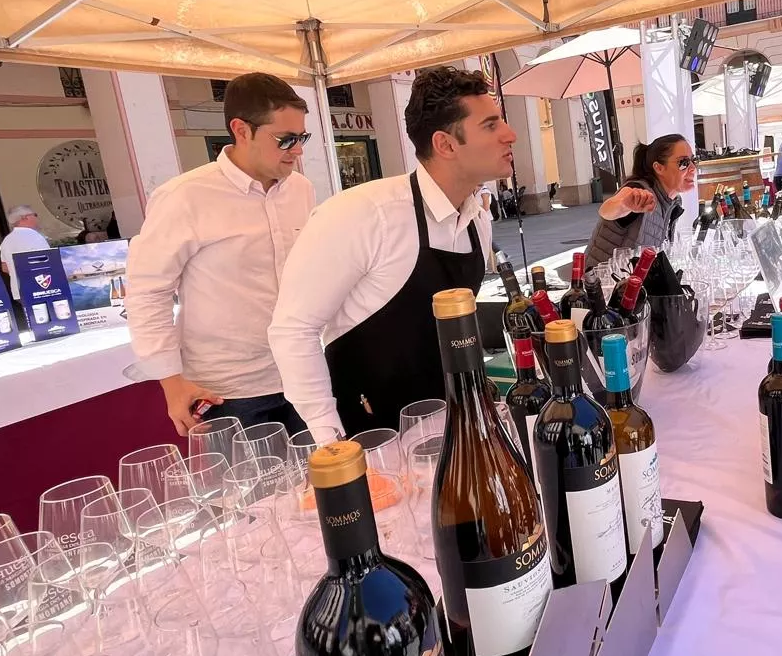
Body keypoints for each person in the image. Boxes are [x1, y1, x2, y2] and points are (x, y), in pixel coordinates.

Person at [269, 66, 513, 439]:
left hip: (449, 427)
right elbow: (293, 329)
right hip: (370, 435)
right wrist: (326, 435)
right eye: (491, 125)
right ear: (446, 144)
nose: (509, 135)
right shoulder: (364, 214)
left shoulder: (477, 218)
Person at [126, 73, 315, 437]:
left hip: (302, 372)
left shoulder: (301, 190)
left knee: (320, 490)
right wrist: (170, 382)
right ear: (241, 130)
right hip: (229, 391)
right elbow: (147, 291)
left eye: (302, 137)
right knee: (253, 494)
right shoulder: (185, 196)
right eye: (286, 139)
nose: (298, 150)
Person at [584, 134, 694, 268]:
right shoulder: (638, 190)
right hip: (603, 283)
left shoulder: (672, 202)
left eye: (694, 160)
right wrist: (625, 203)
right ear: (659, 167)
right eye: (684, 163)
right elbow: (607, 210)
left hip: (634, 282)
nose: (693, 168)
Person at [0, 205, 50, 316]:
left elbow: (4, 267)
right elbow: (48, 262)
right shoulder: (35, 237)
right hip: (42, 286)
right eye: (35, 215)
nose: (37, 218)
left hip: (19, 290)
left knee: (32, 319)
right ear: (25, 217)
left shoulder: (7, 240)